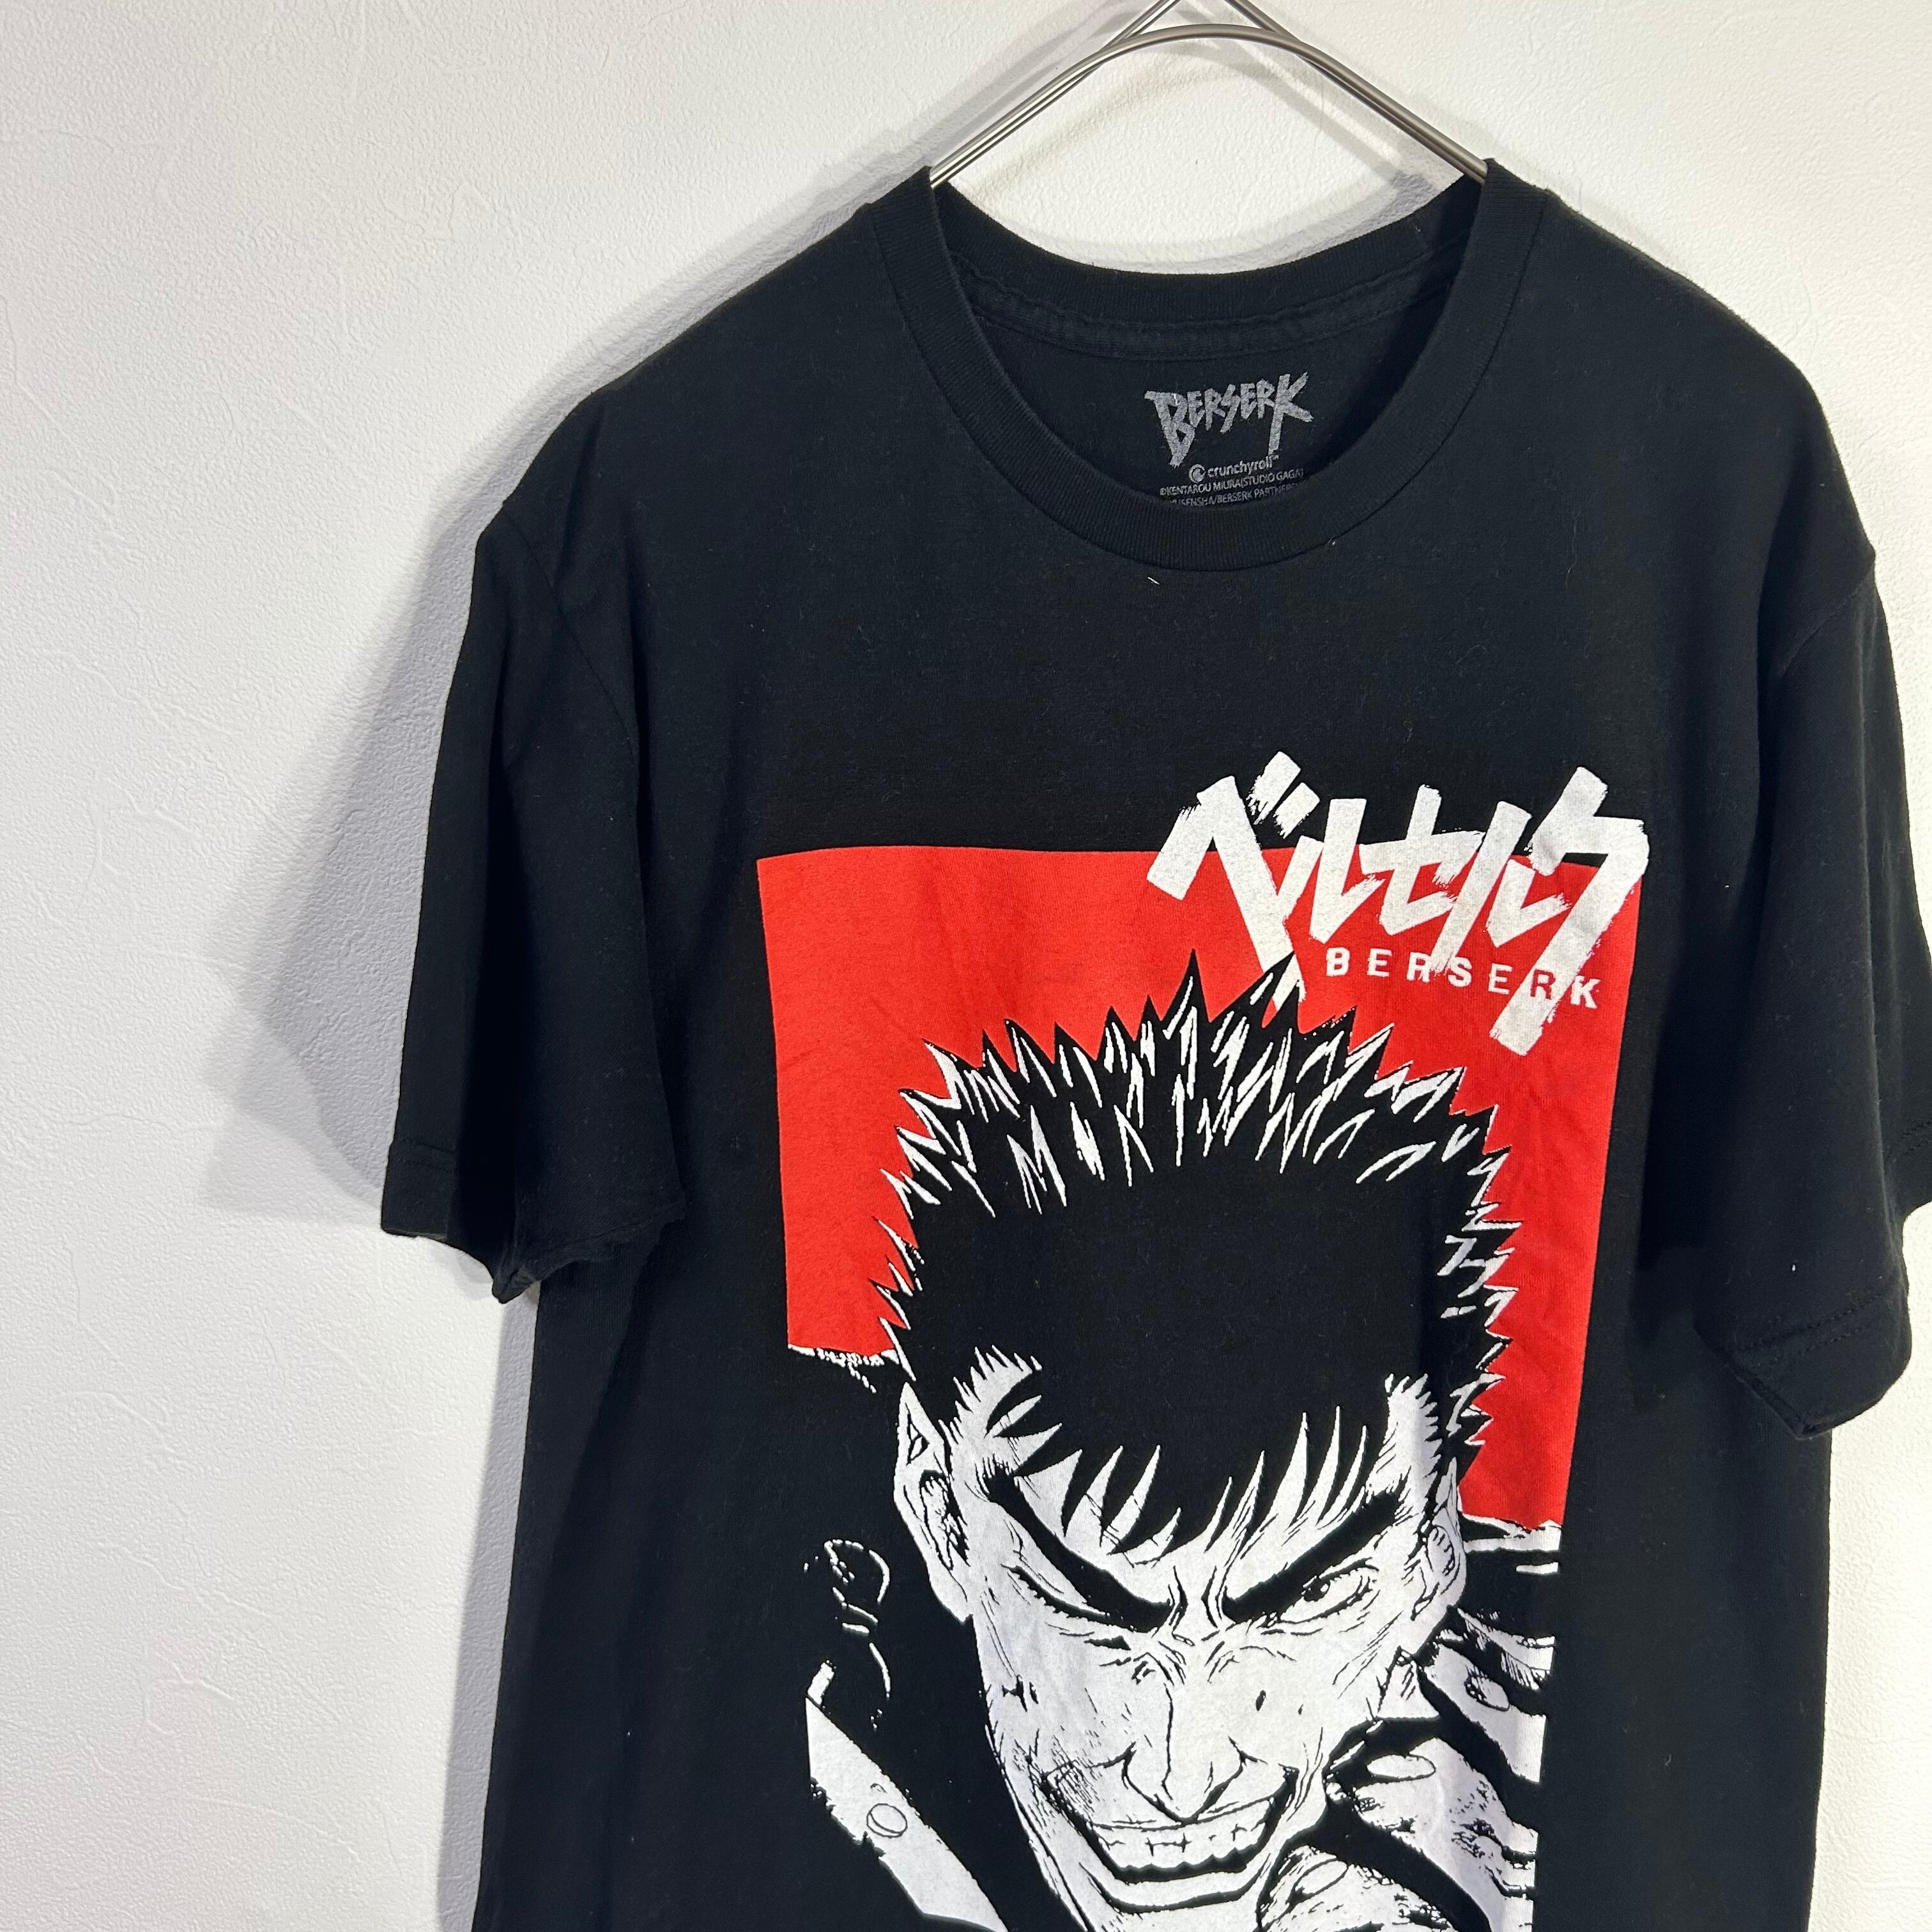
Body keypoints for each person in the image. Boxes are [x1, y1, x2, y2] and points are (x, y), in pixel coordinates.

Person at [804, 961, 1553, 1932]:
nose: (1184, 1774)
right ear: (937, 1509)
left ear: (1434, 1547)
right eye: (1092, 1608)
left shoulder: (1536, 1717)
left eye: (1304, 1600)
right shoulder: (768, 1664)